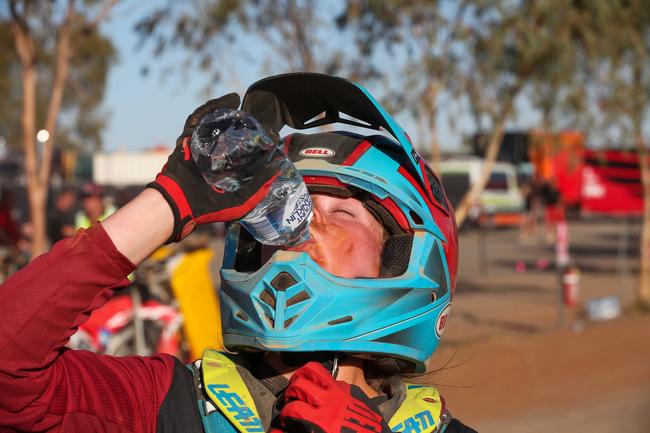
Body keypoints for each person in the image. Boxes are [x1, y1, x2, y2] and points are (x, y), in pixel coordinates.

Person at [0, 74, 474, 433]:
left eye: (342, 213)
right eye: (298, 200)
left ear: (402, 257)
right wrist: (170, 201)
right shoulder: (176, 403)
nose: (306, 220)